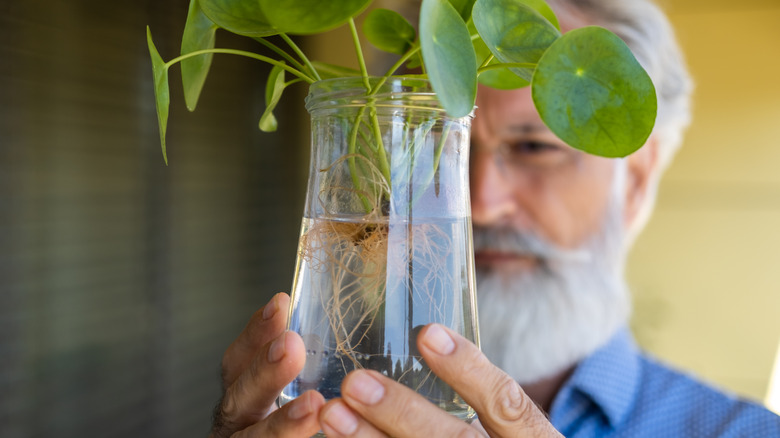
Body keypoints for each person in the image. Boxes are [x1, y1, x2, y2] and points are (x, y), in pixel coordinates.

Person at [207, 0, 780, 436]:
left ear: (635, 181)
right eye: (437, 150)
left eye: (534, 147)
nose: (479, 202)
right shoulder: (321, 405)